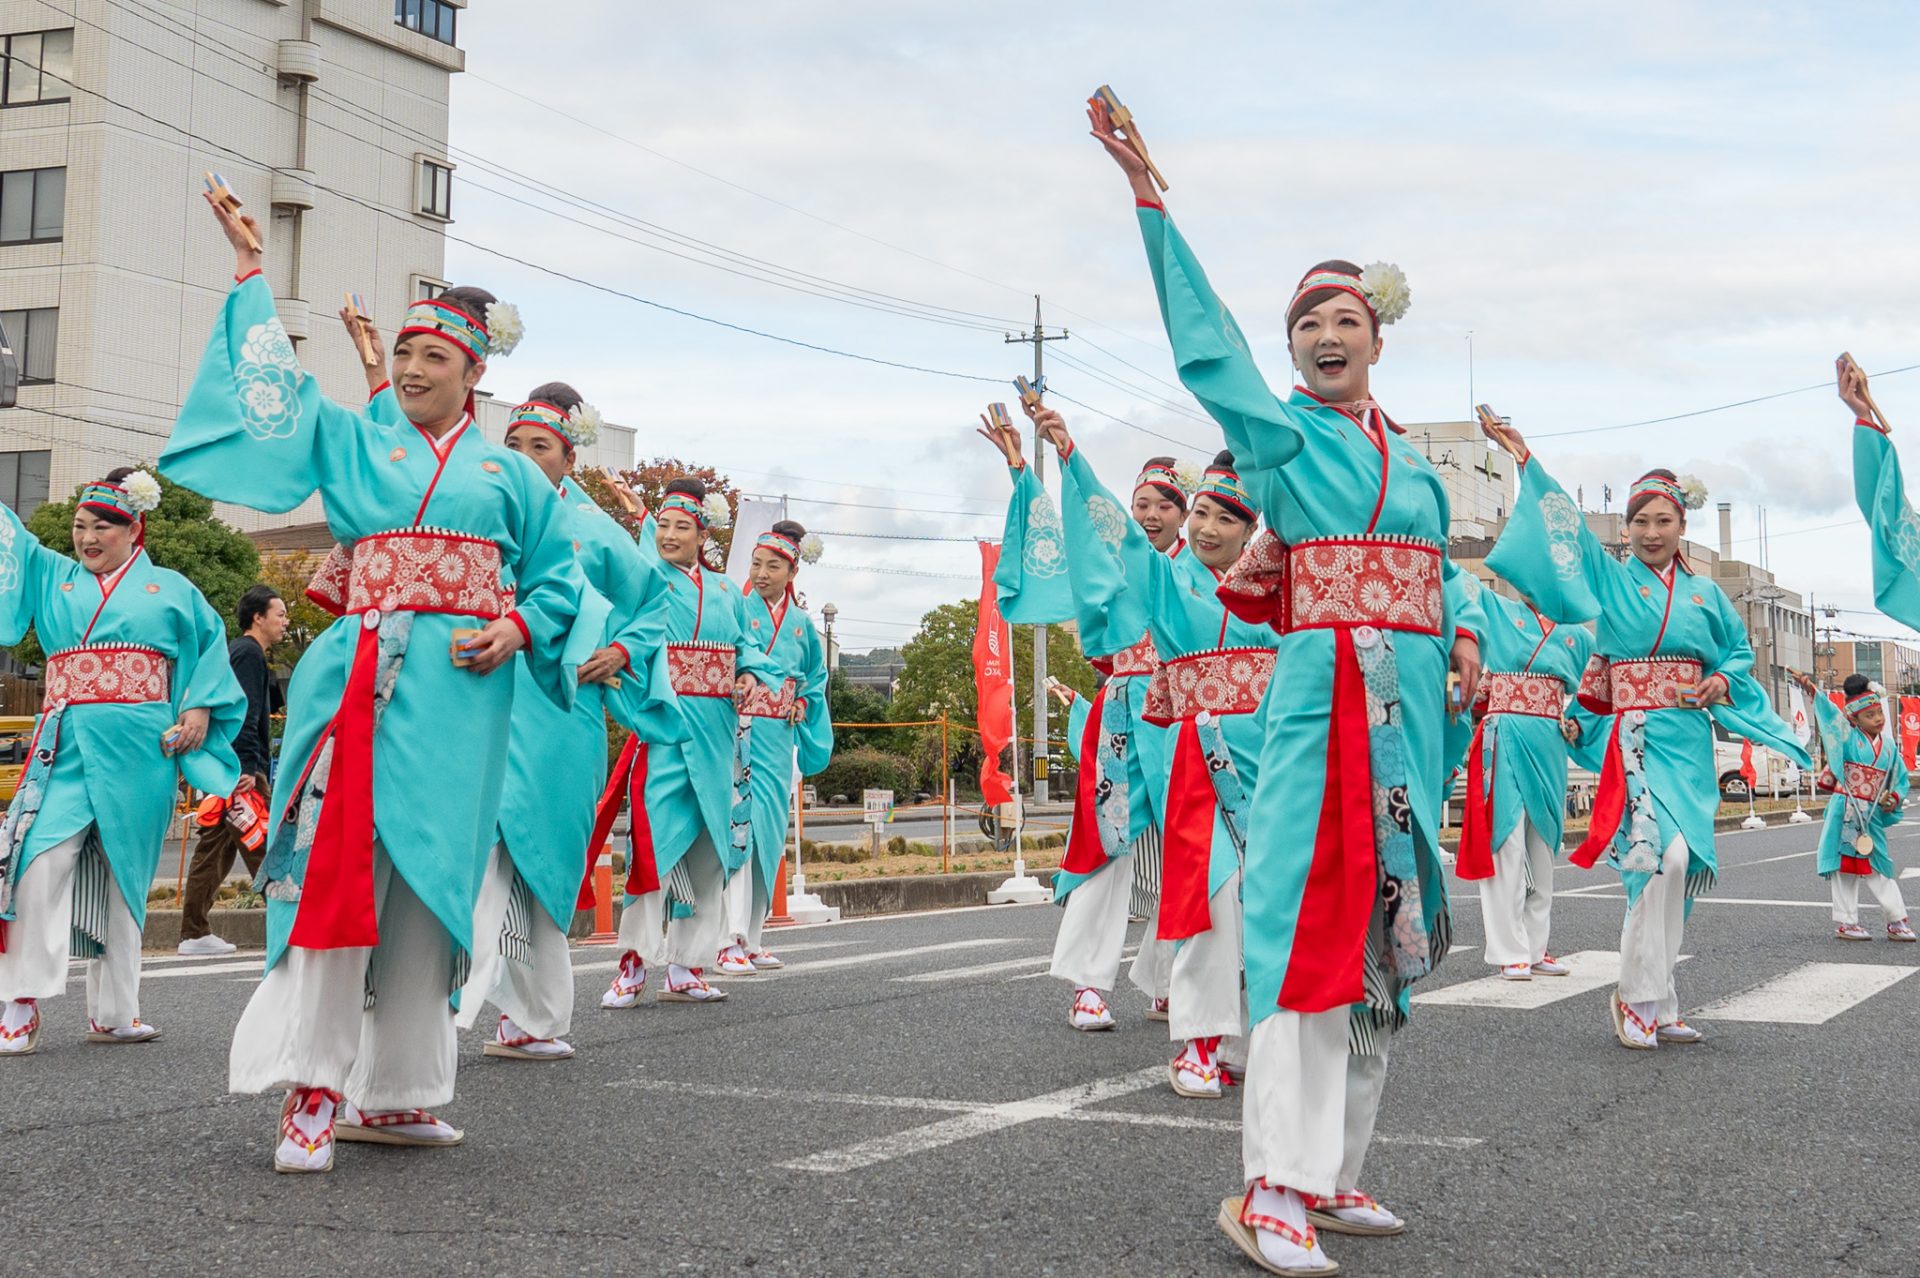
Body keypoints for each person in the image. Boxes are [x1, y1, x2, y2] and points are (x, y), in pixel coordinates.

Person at [1091, 96, 1484, 1274]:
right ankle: (1268, 1183)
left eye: (1343, 317)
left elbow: (1432, 581)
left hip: (1410, 722)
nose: (1324, 332)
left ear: (1377, 336)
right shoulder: (1280, 437)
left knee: (1381, 948)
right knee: (1307, 928)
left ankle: (1338, 1173)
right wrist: (1154, 203)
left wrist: (1461, 646)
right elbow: (1208, 349)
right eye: (1305, 319)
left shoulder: (1414, 467)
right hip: (1322, 709)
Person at [160, 190, 584, 1172]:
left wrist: (517, 627)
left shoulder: (512, 478)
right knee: (337, 871)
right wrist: (250, 278)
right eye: (403, 354)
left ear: (474, 374)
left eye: (434, 358)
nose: (411, 370)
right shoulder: (358, 440)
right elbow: (281, 406)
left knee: (429, 894)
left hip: (462, 705)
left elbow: (557, 576)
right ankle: (313, 1086)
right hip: (359, 688)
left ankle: (395, 1092)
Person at [1480, 417, 1809, 1055]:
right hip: (1632, 742)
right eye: (1640, 522)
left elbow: (1736, 655)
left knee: (1680, 868)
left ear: (1682, 526)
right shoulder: (1608, 579)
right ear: (1626, 529)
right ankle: (1634, 997)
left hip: (1687, 740)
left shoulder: (1706, 594)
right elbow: (1564, 528)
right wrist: (1526, 459)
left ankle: (1662, 1000)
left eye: (1663, 521)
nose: (1651, 533)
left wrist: (1721, 682)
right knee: (1660, 861)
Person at [1024, 418, 1273, 1101]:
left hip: (1270, 771)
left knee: (1261, 901)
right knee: (1208, 891)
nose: (1205, 528)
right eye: (1200, 513)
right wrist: (1069, 460)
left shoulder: (1279, 600)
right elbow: (1115, 540)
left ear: (1253, 530)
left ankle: (1236, 1035)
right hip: (1187, 755)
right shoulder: (1166, 584)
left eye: (1226, 518)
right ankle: (1191, 1038)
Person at [458, 386, 681, 1058]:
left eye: (541, 448)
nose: (525, 458)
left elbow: (654, 601)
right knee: (476, 849)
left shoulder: (594, 530)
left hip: (560, 710)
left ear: (569, 456)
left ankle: (532, 1013)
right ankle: (457, 1002)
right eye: (515, 445)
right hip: (479, 698)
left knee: (543, 853)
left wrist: (619, 649)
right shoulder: (477, 513)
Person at [0, 469, 245, 1054]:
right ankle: (19, 999)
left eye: (101, 527)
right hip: (66, 742)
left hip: (141, 747)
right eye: (80, 527)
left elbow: (207, 653)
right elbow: (10, 537)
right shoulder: (54, 576)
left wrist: (199, 711)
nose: (86, 538)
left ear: (133, 529)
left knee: (126, 874)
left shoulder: (174, 589)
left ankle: (117, 1011)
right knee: (36, 862)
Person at [979, 413, 1183, 1034]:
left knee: (1194, 851)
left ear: (1187, 515)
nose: (1149, 515)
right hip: (1124, 711)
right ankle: (1089, 986)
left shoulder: (1204, 569)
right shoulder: (1116, 561)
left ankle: (1170, 978)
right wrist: (1036, 461)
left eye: (1163, 507)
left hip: (1188, 716)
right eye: (1139, 504)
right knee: (1106, 850)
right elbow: (1068, 531)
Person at [599, 477, 779, 1008]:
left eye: (684, 527)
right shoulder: (648, 575)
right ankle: (632, 963)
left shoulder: (727, 590)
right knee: (655, 847)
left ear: (704, 536)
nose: (671, 535)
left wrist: (747, 673)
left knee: (707, 851)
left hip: (718, 728)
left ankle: (685, 965)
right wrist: (637, 518)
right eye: (664, 526)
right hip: (667, 726)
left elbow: (745, 645)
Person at [1455, 583, 1593, 980]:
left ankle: (1535, 946)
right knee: (1506, 841)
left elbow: (1597, 688)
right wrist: (1452, 717)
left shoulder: (1576, 634)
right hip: (1504, 738)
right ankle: (1508, 949)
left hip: (1550, 740)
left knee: (1545, 843)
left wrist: (1579, 722)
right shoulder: (1492, 607)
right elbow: (1456, 651)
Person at [721, 519, 833, 973]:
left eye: (772, 565)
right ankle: (727, 937)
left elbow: (816, 680)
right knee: (738, 835)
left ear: (792, 573)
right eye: (755, 564)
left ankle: (754, 936)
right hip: (741, 734)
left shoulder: (804, 625)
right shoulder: (735, 610)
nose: (762, 573)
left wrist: (804, 701)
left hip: (779, 739)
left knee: (769, 839)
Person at [179, 583, 287, 956]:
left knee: (215, 850)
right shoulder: (247, 654)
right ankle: (292, 925)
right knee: (267, 846)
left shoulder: (247, 653)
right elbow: (242, 712)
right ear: (258, 617)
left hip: (234, 768)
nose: (285, 622)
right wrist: (245, 767)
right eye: (280, 614)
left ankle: (194, 932)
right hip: (241, 771)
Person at [1790, 670, 1914, 941]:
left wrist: (1893, 798)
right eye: (1870, 716)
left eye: (1879, 713)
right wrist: (1813, 691)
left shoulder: (1890, 748)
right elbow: (1832, 718)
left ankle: (1897, 920)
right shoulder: (1847, 737)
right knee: (1844, 867)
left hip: (1871, 814)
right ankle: (1847, 922)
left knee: (1880, 865)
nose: (1878, 719)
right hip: (1844, 807)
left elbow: (1900, 779)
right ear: (1854, 719)